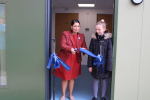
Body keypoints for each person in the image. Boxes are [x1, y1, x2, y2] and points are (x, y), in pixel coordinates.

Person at [55, 19, 87, 100]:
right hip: (66, 59)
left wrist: (84, 50)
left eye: (78, 26)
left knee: (72, 77)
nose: (77, 28)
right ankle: (63, 95)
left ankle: (70, 94)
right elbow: (62, 45)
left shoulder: (82, 36)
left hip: (76, 60)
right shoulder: (65, 33)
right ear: (71, 26)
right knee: (65, 77)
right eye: (75, 26)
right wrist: (70, 49)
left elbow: (84, 46)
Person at [87, 19, 113, 100]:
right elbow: (90, 53)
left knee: (103, 80)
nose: (97, 31)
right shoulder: (93, 39)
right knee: (96, 79)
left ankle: (102, 97)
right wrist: (90, 65)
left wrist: (109, 67)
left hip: (104, 64)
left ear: (104, 29)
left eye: (99, 29)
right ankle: (95, 97)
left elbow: (110, 54)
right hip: (95, 64)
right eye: (96, 29)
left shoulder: (108, 40)